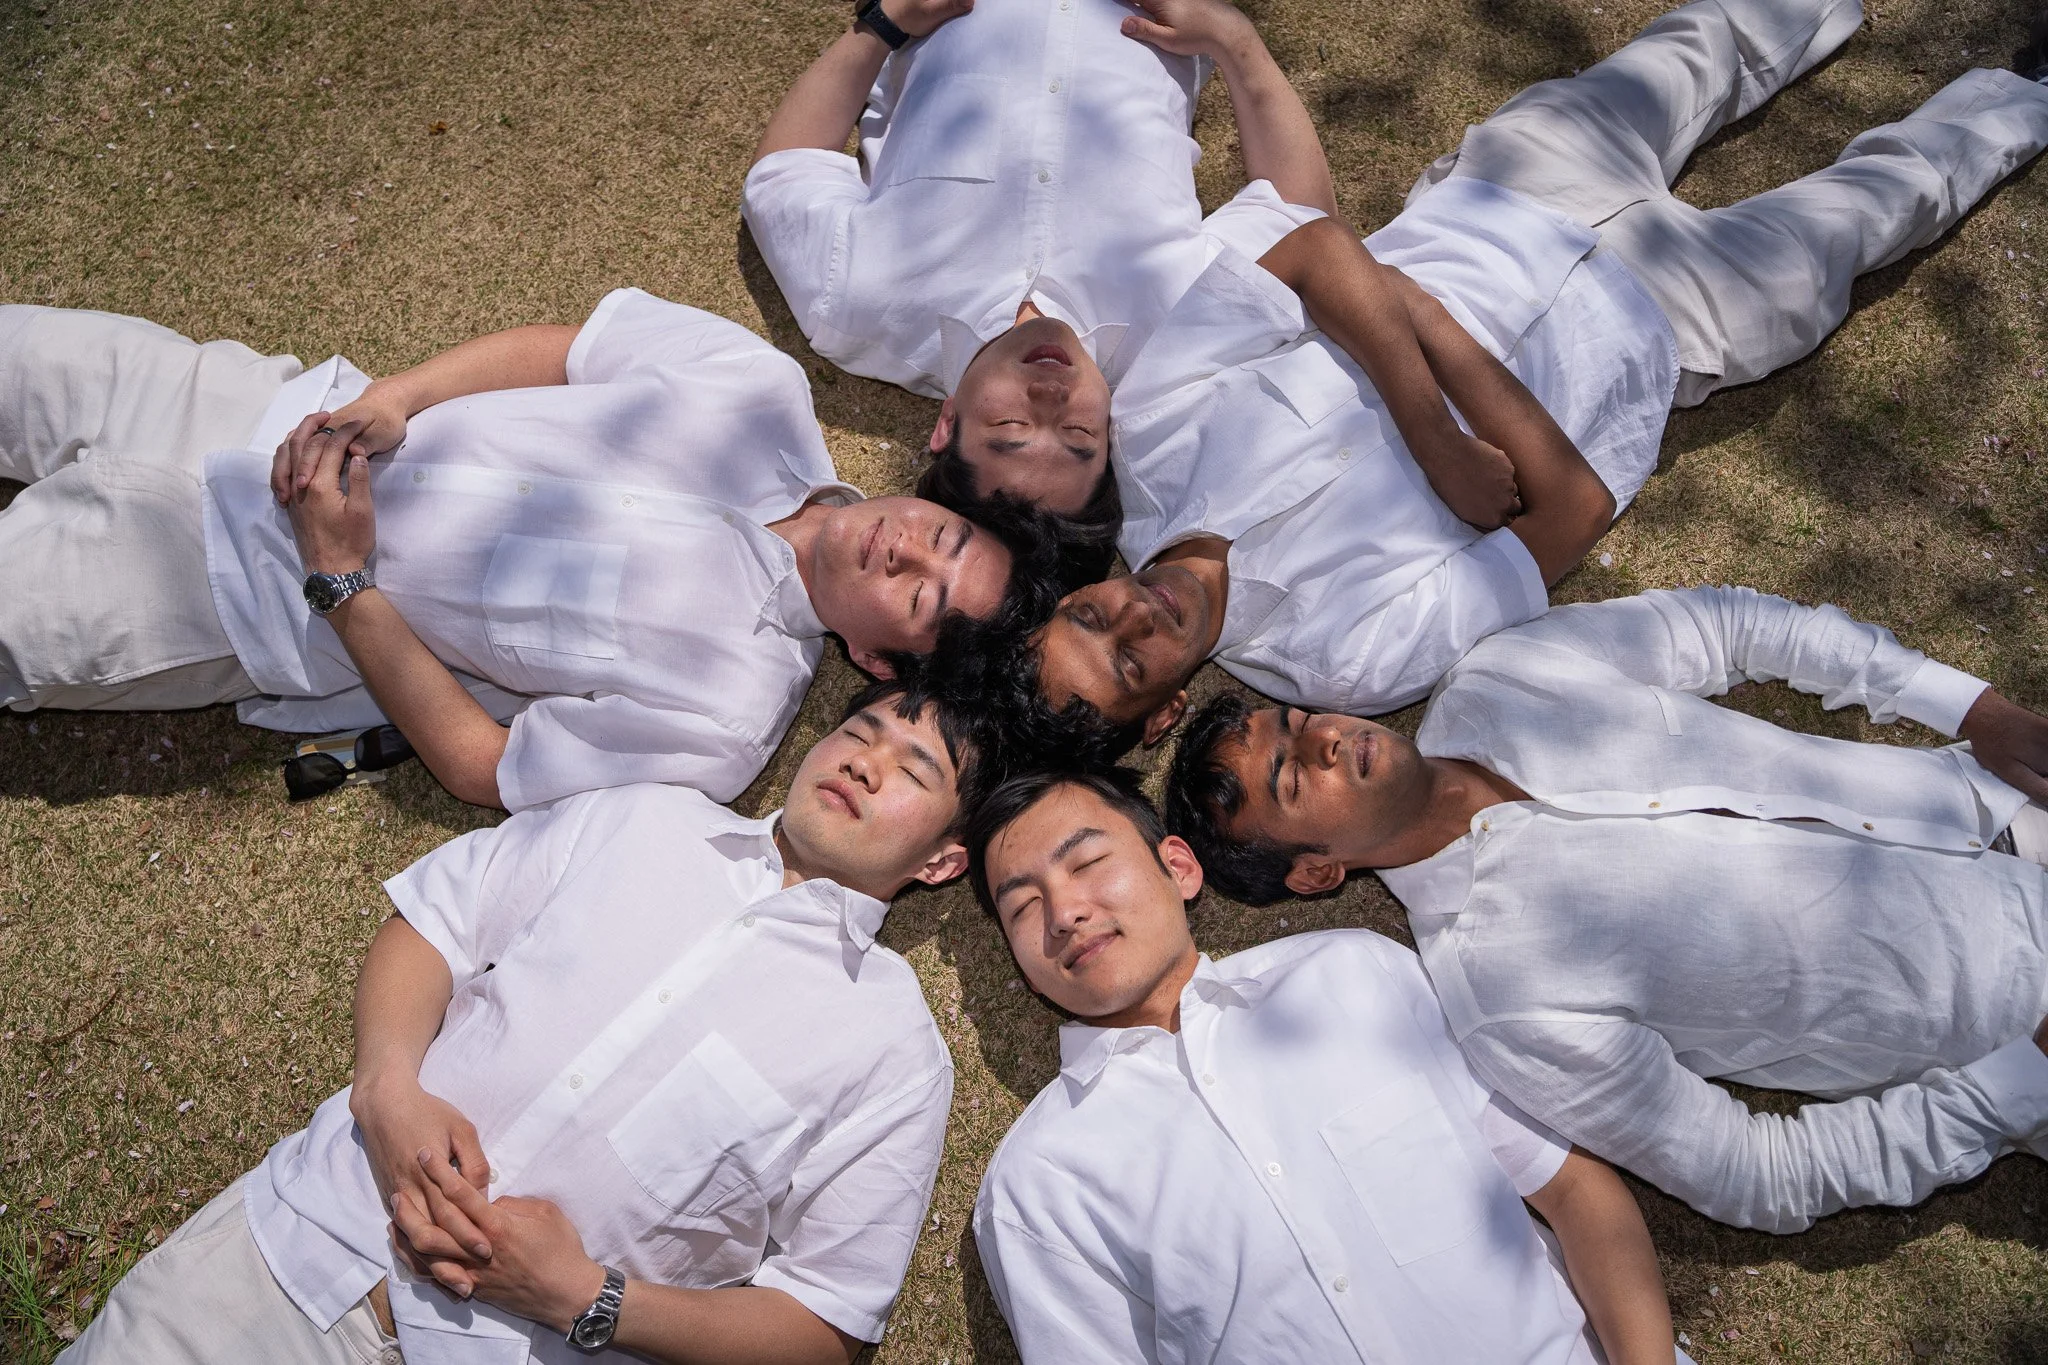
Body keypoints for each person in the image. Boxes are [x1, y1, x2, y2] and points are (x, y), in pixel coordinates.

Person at [1010, 0, 2048, 758]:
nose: (1135, 617)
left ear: (1077, 594)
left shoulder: (1137, 438)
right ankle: (2024, 98)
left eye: (1093, 619)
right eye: (1133, 662)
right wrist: (1407, 315)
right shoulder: (1347, 664)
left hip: (1500, 200)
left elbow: (1309, 245)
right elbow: (1572, 509)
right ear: (1163, 716)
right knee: (1879, 205)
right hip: (1655, 334)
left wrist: (1434, 433)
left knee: (1705, 41)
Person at [61, 678, 994, 1364]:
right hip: (280, 1260)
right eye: (859, 730)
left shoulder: (891, 1049)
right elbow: (433, 924)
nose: (867, 760)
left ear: (944, 863)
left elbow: (823, 1323)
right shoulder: (643, 819)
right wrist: (385, 1087)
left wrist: (586, 1297)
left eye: (913, 768)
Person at [1165, 585, 2048, 1233]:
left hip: (2000, 799)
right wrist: (2016, 1083)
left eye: (1293, 721)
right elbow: (1757, 1173)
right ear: (1318, 875)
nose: (1322, 736)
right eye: (1292, 777)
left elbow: (1727, 624)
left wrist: (1971, 706)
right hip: (2019, 1001)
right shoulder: (1502, 995)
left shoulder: (1501, 674)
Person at [0, 290, 1061, 810]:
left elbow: (482, 766)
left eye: (923, 598)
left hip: (225, 596)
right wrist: (394, 400)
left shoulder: (725, 719)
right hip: (263, 404)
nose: (905, 553)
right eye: (943, 536)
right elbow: (568, 351)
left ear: (879, 663)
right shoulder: (761, 389)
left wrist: (343, 579)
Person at [969, 769, 1689, 1364]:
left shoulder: (1351, 972)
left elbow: (1570, 1188)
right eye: (1025, 908)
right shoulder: (1039, 1184)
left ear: (1179, 867)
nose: (1063, 911)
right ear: (1023, 967)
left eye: (1089, 862)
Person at [743, 0, 1348, 571]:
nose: (1050, 400)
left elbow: (781, 173)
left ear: (948, 425)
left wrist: (884, 22)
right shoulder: (1177, 321)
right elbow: (1302, 219)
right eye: (1079, 434)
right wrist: (1235, 41)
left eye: (1010, 430)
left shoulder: (858, 309)